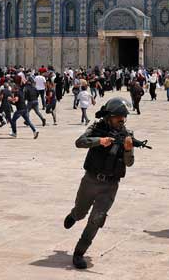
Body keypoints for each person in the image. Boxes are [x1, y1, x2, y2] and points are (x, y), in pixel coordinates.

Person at [63, 97, 137, 270]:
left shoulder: (127, 135)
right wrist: (99, 141)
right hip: (90, 180)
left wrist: (127, 149)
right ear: (109, 116)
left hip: (110, 186)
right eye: (119, 116)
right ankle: (74, 215)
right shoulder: (96, 128)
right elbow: (79, 142)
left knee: (96, 219)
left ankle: (79, 252)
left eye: (124, 116)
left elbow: (129, 162)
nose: (122, 120)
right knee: (81, 213)